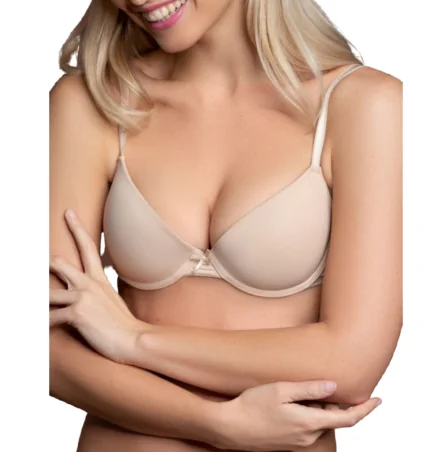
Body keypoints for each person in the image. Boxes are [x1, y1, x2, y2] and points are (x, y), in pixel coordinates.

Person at [49, 0, 402, 451]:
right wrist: (216, 423)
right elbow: (47, 351)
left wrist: (136, 340)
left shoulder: (364, 105)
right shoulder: (91, 102)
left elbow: (350, 363)